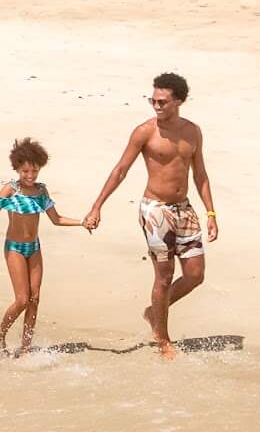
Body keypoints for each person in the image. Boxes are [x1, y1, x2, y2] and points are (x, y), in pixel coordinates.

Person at [81, 72, 217, 358]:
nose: (156, 106)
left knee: (195, 274)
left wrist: (211, 212)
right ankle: (163, 340)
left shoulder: (193, 131)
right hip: (155, 211)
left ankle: (152, 312)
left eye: (162, 102)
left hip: (184, 209)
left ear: (178, 101)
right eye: (152, 100)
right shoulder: (145, 132)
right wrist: (97, 206)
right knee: (164, 277)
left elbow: (200, 174)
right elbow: (120, 170)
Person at [0, 137, 82, 355]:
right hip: (15, 248)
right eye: (25, 171)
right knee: (22, 299)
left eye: (35, 171)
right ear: (17, 168)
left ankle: (26, 346)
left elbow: (56, 219)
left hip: (35, 247)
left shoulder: (41, 191)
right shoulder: (10, 190)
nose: (30, 176)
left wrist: (82, 222)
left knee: (35, 298)